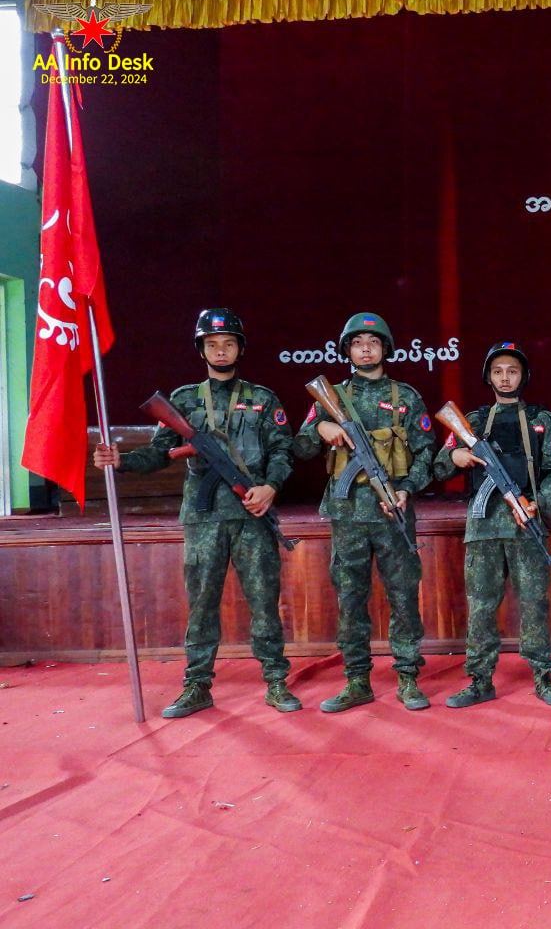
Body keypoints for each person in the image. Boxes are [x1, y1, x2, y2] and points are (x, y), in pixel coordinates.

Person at [93, 308, 298, 718]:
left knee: (264, 602)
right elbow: (159, 453)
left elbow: (282, 451)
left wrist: (270, 488)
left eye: (228, 343)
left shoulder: (263, 399)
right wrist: (122, 460)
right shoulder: (185, 399)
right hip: (204, 518)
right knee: (202, 604)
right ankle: (197, 685)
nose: (221, 351)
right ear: (201, 350)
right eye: (212, 344)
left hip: (251, 514)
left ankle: (276, 681)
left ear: (240, 348)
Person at [293, 312, 436, 713]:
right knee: (350, 599)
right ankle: (357, 680)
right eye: (357, 343)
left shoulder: (406, 397)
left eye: (373, 343)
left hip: (393, 512)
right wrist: (321, 429)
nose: (366, 349)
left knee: (403, 596)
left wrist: (406, 488)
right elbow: (301, 447)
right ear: (347, 350)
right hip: (348, 514)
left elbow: (427, 452)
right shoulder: (332, 397)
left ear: (385, 349)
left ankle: (407, 676)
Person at [432, 342, 551, 707]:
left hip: (526, 525)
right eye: (498, 371)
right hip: (483, 527)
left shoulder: (542, 420)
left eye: (512, 371)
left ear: (524, 376)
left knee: (534, 604)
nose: (505, 378)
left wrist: (538, 504)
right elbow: (440, 465)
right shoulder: (474, 420)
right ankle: (480, 680)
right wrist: (457, 454)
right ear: (488, 377)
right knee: (481, 606)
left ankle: (543, 676)